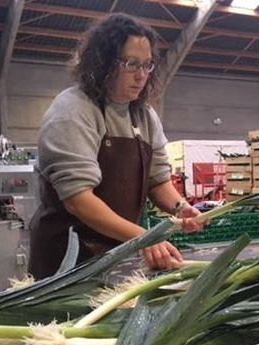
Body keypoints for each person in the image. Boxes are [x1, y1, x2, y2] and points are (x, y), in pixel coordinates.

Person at [29, 13, 203, 280]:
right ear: (103, 62)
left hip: (116, 252)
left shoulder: (144, 116)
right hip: (67, 261)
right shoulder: (74, 110)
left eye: (148, 65)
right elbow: (78, 200)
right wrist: (144, 237)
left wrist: (181, 207)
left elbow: (158, 180)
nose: (141, 76)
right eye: (131, 64)